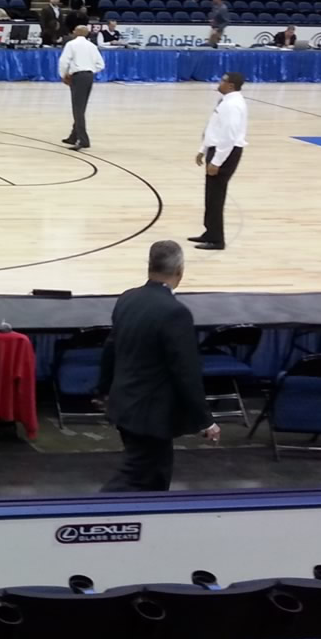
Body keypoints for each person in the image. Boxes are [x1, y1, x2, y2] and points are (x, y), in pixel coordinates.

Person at [97, 240, 219, 492]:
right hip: (150, 414)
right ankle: (89, 519)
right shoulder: (175, 313)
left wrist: (103, 390)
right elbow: (186, 372)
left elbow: (111, 348)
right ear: (180, 271)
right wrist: (205, 420)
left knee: (155, 478)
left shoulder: (127, 299)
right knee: (139, 477)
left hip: (125, 406)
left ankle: (144, 525)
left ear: (149, 266)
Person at [192, 72, 247, 250]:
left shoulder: (233, 105)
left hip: (225, 153)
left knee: (216, 197)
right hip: (216, 149)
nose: (219, 83)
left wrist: (217, 161)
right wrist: (203, 149)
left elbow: (229, 136)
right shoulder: (226, 102)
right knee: (210, 195)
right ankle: (210, 231)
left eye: (222, 80)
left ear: (230, 85)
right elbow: (214, 128)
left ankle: (217, 239)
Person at [59, 21, 105, 150]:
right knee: (81, 107)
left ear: (77, 32)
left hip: (77, 77)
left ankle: (83, 140)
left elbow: (64, 61)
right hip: (89, 76)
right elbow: (101, 65)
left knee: (77, 109)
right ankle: (73, 136)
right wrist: (89, 69)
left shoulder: (71, 44)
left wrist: (63, 74)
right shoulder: (92, 46)